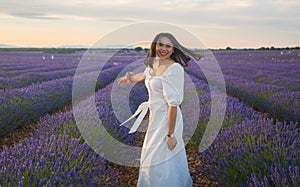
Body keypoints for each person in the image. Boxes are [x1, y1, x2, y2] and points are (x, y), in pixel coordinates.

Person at [117, 32, 201, 187]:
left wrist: (170, 134)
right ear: (154, 46)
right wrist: (130, 78)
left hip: (168, 118)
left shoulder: (175, 69)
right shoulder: (154, 63)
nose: (163, 49)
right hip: (155, 117)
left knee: (162, 157)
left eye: (168, 46)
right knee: (151, 155)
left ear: (173, 49)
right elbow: (146, 76)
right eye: (160, 44)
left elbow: (173, 105)